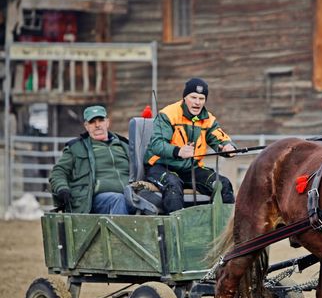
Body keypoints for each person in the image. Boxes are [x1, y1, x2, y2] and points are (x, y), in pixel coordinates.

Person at [144, 78, 236, 213]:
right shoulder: (168, 114)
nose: (197, 102)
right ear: (185, 97)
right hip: (161, 166)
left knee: (223, 185)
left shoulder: (208, 119)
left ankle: (224, 229)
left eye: (201, 98)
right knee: (173, 185)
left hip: (190, 169)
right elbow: (157, 145)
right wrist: (178, 151)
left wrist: (228, 147)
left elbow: (220, 138)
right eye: (193, 97)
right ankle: (177, 231)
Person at [49, 105, 134, 214]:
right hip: (94, 200)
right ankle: (120, 231)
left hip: (131, 195)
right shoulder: (76, 148)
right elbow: (58, 172)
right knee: (118, 199)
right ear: (86, 126)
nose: (97, 125)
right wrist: (62, 188)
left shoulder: (124, 145)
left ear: (107, 122)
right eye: (92, 122)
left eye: (101, 120)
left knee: (154, 199)